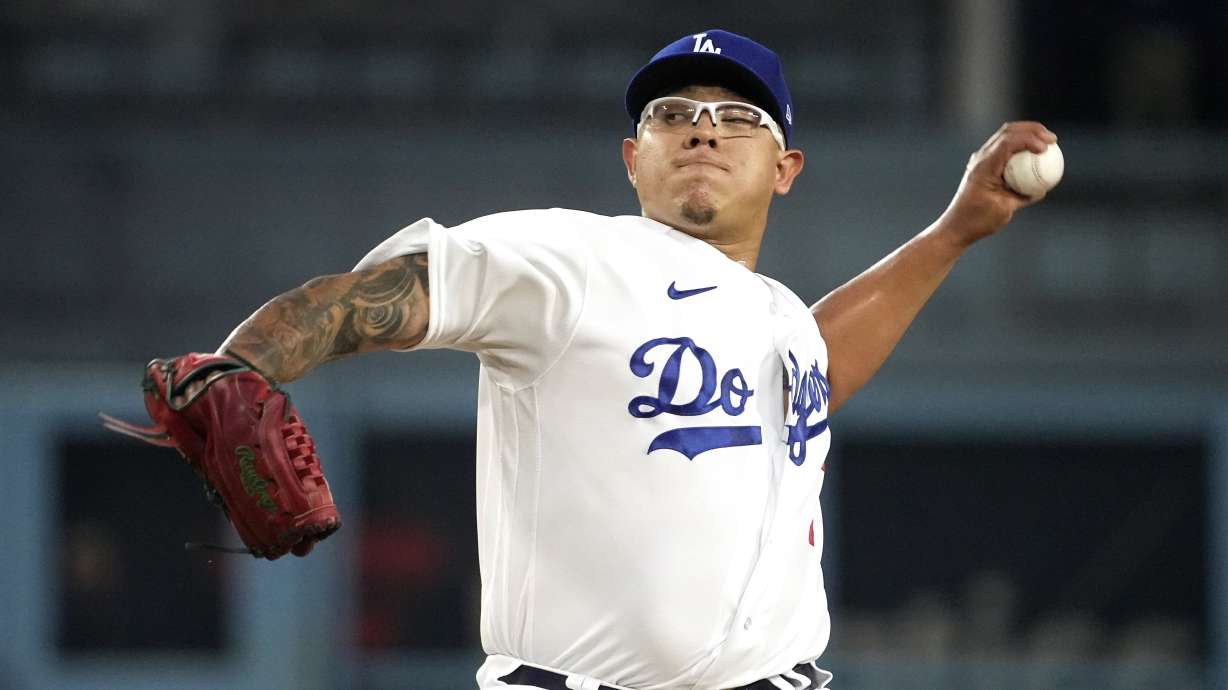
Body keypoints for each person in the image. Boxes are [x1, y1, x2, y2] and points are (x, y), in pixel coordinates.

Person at [216, 29, 1056, 690]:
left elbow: (817, 365)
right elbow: (364, 299)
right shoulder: (569, 261)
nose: (701, 129)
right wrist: (240, 369)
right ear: (632, 159)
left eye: (738, 119)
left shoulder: (778, 320)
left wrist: (954, 232)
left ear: (785, 168)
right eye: (672, 114)